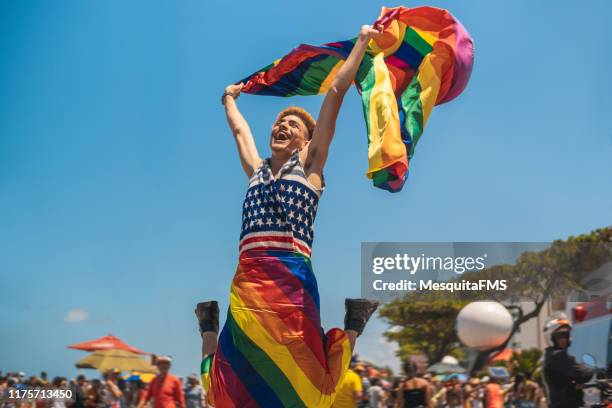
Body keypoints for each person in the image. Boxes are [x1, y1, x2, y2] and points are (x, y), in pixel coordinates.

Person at [194, 23, 383, 408]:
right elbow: (240, 133)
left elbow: (334, 92)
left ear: (306, 141)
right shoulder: (257, 170)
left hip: (291, 279)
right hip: (249, 277)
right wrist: (229, 99)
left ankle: (354, 324)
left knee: (316, 392)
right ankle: (209, 325)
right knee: (220, 390)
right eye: (279, 123)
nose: (281, 125)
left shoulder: (311, 166)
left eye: (291, 124)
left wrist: (362, 42)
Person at [542, 318, 594, 408]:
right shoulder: (558, 356)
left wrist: (577, 381)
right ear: (551, 338)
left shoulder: (549, 354)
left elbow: (569, 375)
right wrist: (586, 372)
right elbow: (584, 372)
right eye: (560, 336)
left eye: (566, 335)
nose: (564, 339)